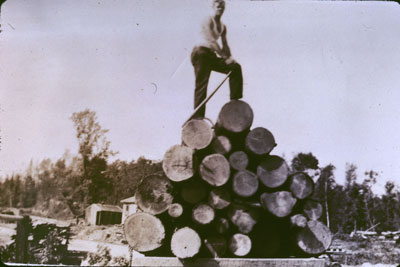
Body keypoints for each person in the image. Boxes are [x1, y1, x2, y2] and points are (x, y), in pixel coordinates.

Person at [191, 0, 243, 118]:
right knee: (202, 84)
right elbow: (212, 41)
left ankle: (234, 102)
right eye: (218, 6)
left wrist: (230, 58)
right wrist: (224, 57)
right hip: (200, 53)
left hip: (211, 55)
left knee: (235, 68)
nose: (220, 8)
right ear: (213, 7)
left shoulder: (223, 27)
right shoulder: (208, 20)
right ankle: (198, 117)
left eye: (222, 6)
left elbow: (225, 45)